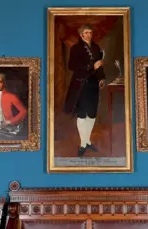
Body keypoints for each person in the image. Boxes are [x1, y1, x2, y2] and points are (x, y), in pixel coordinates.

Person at [63, 24, 106, 157]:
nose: (89, 35)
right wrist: (91, 66)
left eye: (90, 32)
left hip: (93, 84)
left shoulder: (96, 47)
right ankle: (83, 144)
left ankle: (86, 141)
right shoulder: (76, 48)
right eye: (86, 33)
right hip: (80, 84)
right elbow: (71, 66)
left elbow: (99, 67)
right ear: (81, 34)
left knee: (92, 114)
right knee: (82, 114)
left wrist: (101, 78)